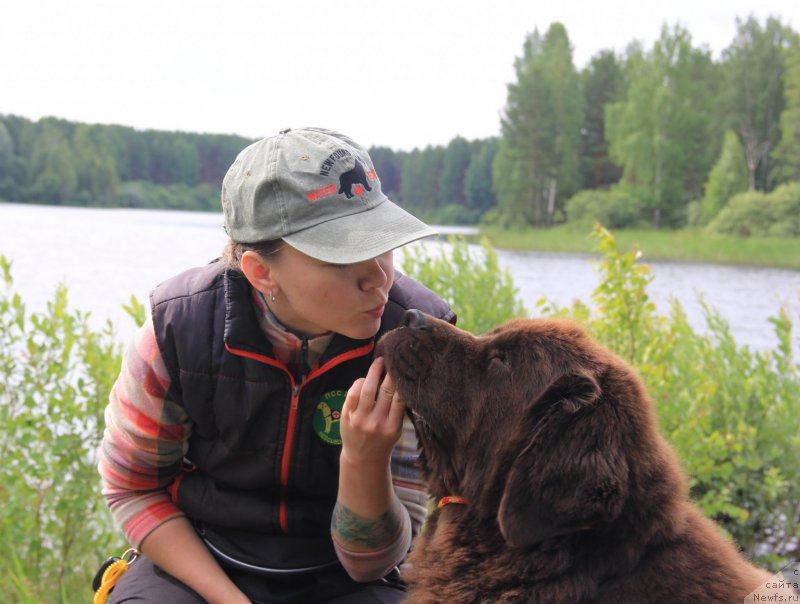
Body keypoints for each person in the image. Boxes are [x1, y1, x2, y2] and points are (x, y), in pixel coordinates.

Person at [98, 127, 456, 603]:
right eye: (344, 255)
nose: (380, 278)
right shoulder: (177, 330)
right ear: (261, 271)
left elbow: (375, 561)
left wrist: (363, 459)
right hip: (203, 557)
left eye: (382, 243)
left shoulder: (415, 345)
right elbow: (133, 489)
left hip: (349, 579)